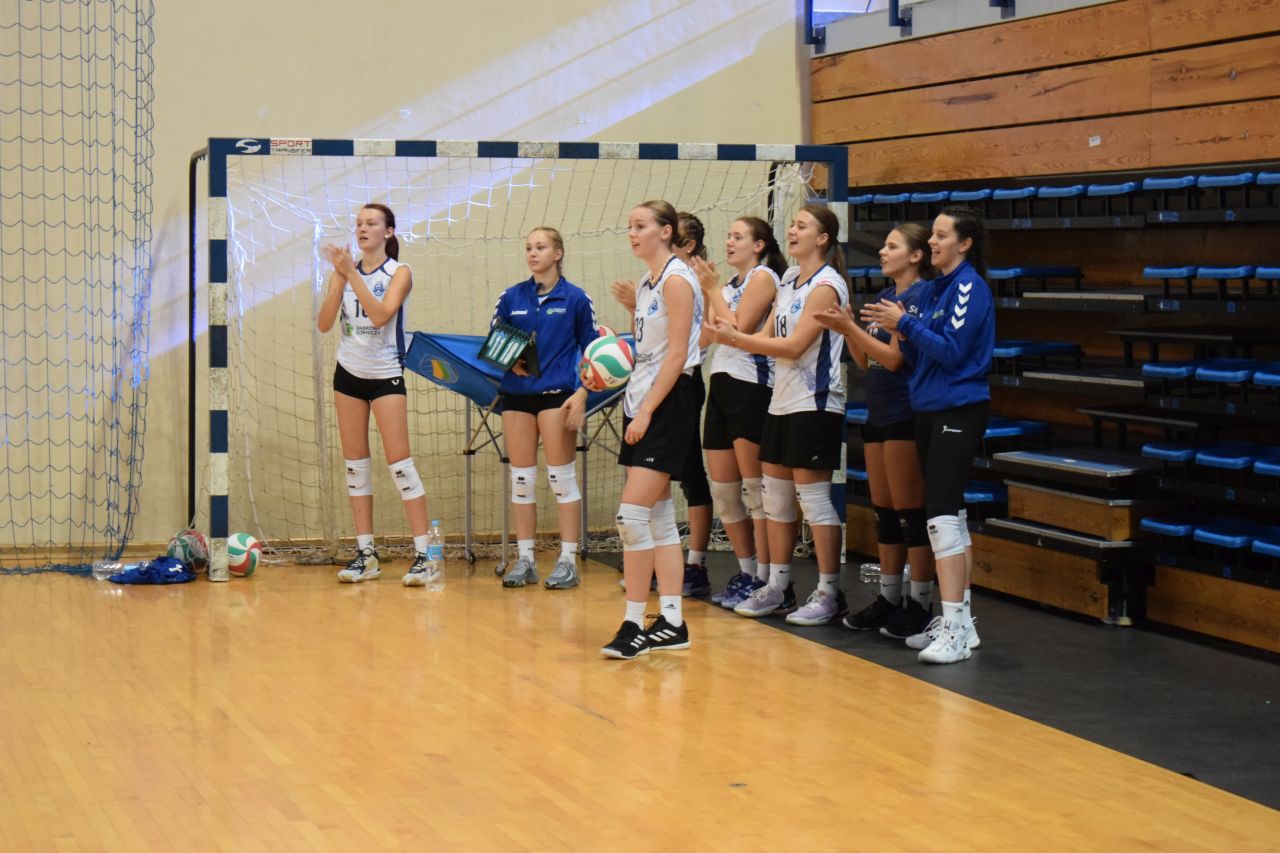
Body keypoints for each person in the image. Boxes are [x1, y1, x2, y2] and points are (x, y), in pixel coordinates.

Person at [705, 204, 849, 626]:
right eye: (792, 224)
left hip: (815, 401)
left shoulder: (827, 284)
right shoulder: (788, 279)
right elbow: (765, 336)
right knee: (775, 500)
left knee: (814, 501)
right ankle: (778, 585)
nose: (792, 230)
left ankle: (830, 592)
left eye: (802, 226)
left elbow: (793, 346)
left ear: (822, 238)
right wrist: (729, 334)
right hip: (780, 401)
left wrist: (736, 338)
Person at [862, 206, 993, 664]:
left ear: (965, 243)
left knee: (940, 519)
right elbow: (918, 353)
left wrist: (905, 325)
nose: (933, 242)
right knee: (952, 518)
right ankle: (962, 623)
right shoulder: (937, 289)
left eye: (941, 235)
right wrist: (897, 329)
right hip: (929, 409)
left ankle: (954, 627)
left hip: (958, 408)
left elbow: (953, 352)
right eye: (932, 235)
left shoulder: (969, 287)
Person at [814, 225, 936, 639]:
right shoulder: (886, 297)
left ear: (916, 255)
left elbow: (897, 360)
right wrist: (848, 327)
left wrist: (851, 330)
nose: (882, 252)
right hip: (879, 411)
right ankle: (889, 598)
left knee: (910, 512)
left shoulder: (920, 297)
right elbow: (866, 362)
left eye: (892, 246)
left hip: (906, 411)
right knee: (884, 511)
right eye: (883, 245)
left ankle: (921, 603)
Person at [600, 200, 704, 659]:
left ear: (666, 231)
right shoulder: (648, 281)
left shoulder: (678, 279)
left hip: (668, 400)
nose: (632, 233)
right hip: (642, 396)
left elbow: (677, 355)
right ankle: (673, 622)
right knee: (658, 516)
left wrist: (646, 413)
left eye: (640, 226)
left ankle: (633, 624)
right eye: (630, 226)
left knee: (631, 516)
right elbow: (648, 347)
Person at [316, 203, 434, 587]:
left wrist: (352, 275)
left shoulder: (400, 272)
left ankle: (425, 555)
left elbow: (381, 316)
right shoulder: (344, 272)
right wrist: (340, 279)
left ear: (389, 231)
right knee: (355, 467)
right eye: (359, 224)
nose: (363, 229)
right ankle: (366, 554)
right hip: (348, 374)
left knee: (400, 465)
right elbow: (324, 323)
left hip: (385, 375)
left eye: (371, 223)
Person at [489, 227, 598, 590]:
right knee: (521, 480)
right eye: (528, 248)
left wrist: (583, 392)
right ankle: (526, 559)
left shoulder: (576, 298)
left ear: (558, 253)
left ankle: (567, 560)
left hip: (557, 395)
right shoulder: (511, 297)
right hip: (517, 396)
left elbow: (593, 351)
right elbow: (495, 343)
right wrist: (511, 359)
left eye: (540, 247)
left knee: (560, 478)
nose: (533, 253)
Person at [690, 216, 786, 609]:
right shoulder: (727, 285)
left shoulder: (764, 277)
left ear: (759, 245)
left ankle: (765, 577)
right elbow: (708, 336)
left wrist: (712, 293)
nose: (729, 242)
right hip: (722, 383)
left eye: (738, 236)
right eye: (727, 235)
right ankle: (746, 572)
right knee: (724, 491)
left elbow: (738, 330)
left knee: (754, 491)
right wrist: (709, 294)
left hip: (752, 386)